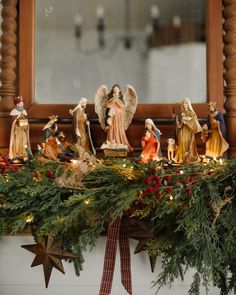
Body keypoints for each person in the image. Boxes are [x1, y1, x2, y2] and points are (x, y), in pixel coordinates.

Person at [94, 84, 138, 152]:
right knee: (111, 128)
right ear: (113, 90)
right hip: (112, 117)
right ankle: (111, 142)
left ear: (119, 90)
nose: (115, 90)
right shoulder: (110, 97)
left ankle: (119, 142)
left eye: (117, 89)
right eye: (114, 89)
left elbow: (122, 106)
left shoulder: (121, 97)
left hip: (119, 116)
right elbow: (108, 106)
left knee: (118, 128)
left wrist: (116, 100)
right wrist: (113, 100)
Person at [174, 97, 202, 163]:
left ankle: (187, 157)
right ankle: (181, 157)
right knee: (181, 142)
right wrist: (176, 118)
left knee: (187, 143)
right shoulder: (181, 112)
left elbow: (194, 122)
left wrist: (186, 122)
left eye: (186, 103)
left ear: (188, 104)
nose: (184, 104)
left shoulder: (191, 112)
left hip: (188, 131)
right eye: (183, 103)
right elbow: (179, 121)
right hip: (182, 130)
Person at [9, 96, 32, 161]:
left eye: (22, 104)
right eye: (20, 104)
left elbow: (25, 119)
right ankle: (17, 154)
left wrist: (26, 124)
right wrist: (17, 118)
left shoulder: (24, 111)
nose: (22, 105)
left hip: (23, 130)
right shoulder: (14, 111)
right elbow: (13, 121)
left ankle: (24, 153)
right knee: (17, 142)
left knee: (24, 141)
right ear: (17, 104)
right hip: (17, 130)